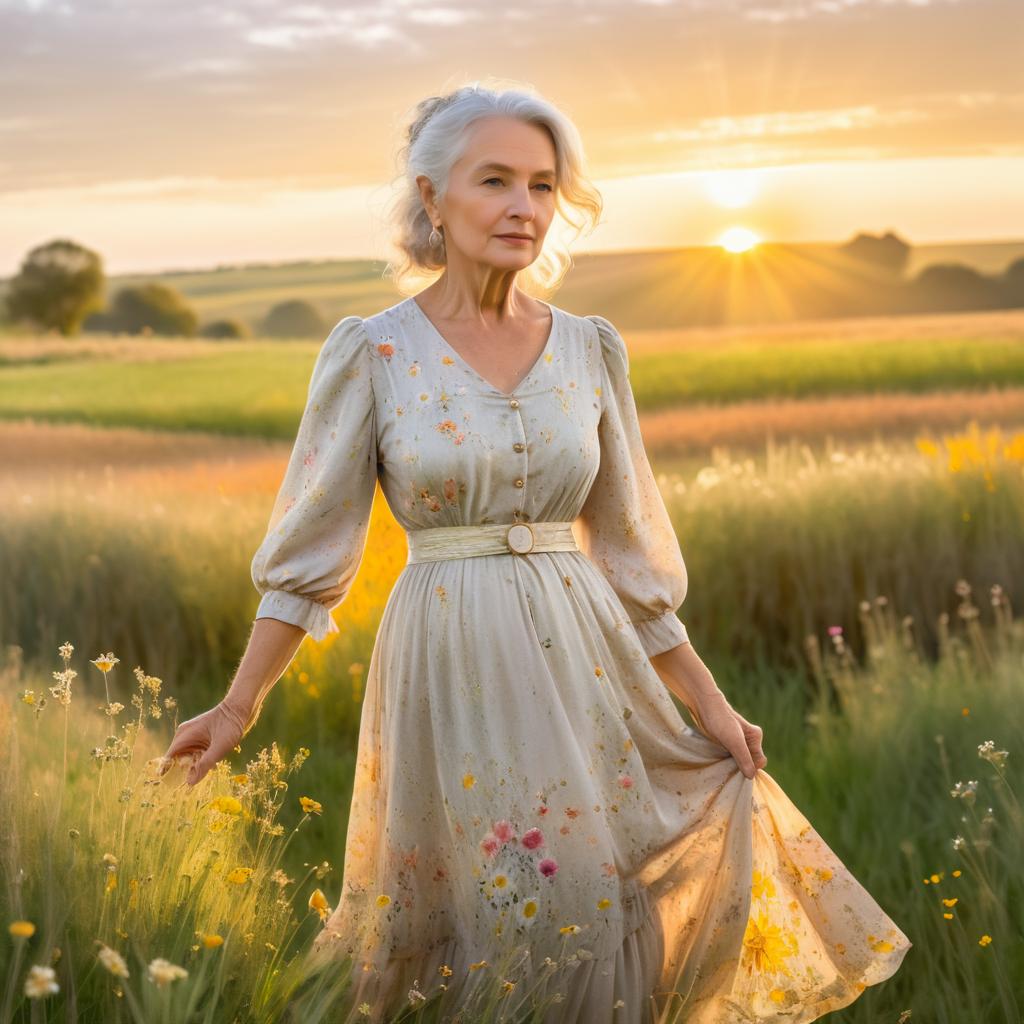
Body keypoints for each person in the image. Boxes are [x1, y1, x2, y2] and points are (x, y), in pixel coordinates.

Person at [160, 80, 911, 1024]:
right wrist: (239, 705)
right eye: (496, 181)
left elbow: (636, 566)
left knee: (599, 902)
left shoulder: (591, 349)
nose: (524, 207)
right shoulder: (373, 353)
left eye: (544, 185)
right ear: (433, 199)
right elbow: (311, 552)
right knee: (492, 906)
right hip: (450, 660)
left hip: (589, 655)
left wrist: (713, 708)